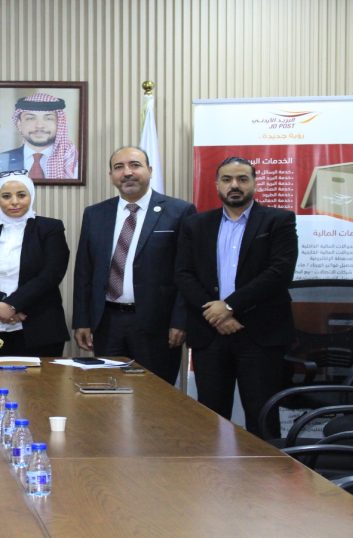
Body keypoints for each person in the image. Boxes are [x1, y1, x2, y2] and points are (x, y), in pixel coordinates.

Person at [175, 157, 298, 436]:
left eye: (242, 179)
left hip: (261, 334)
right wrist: (216, 315)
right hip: (210, 334)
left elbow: (279, 273)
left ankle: (266, 467)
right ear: (217, 184)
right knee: (210, 418)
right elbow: (183, 274)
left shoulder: (278, 220)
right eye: (227, 179)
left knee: (263, 417)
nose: (235, 185)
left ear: (254, 183)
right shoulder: (196, 224)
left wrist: (229, 306)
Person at [72, 146, 196, 384]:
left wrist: (180, 321)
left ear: (150, 170)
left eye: (135, 165)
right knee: (108, 392)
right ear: (111, 175)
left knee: (156, 394)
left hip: (157, 325)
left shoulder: (179, 212)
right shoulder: (95, 214)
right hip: (107, 322)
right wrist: (82, 321)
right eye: (119, 167)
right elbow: (84, 272)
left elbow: (187, 272)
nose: (127, 172)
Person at [0, 172, 70, 357]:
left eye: (21, 195)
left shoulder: (50, 228)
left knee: (39, 377)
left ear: (31, 196)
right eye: (6, 196)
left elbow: (51, 275)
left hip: (39, 325)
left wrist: (13, 305)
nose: (14, 202)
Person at [0, 92, 79, 180]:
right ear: (19, 124)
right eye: (31, 118)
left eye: (48, 118)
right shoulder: (1, 161)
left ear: (59, 124)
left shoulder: (73, 161)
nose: (39, 125)